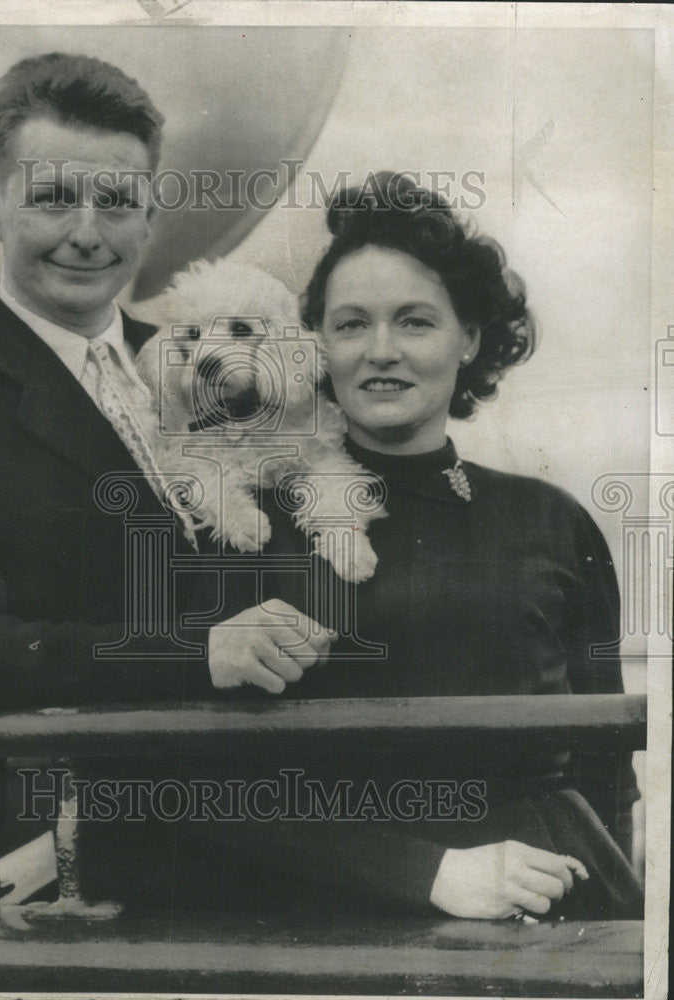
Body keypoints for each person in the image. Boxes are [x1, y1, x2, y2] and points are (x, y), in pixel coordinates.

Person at [203, 172, 643, 922]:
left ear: (469, 338)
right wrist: (424, 872)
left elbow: (603, 758)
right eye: (349, 325)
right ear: (314, 349)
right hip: (332, 905)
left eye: (414, 321)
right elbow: (199, 779)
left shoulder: (550, 519)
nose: (381, 351)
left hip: (549, 891)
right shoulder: (248, 525)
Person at [0, 52, 226, 722]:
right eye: (54, 199)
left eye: (115, 204)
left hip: (269, 787)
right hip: (74, 804)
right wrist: (193, 656)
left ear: (149, 218)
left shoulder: (196, 366)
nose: (86, 234)